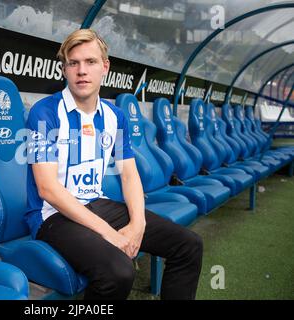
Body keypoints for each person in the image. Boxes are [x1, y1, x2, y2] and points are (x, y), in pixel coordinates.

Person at [25, 29, 203, 300]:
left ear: (105, 67)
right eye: (73, 63)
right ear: (64, 69)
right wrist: (111, 234)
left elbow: (129, 174)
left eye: (90, 62)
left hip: (97, 203)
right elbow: (48, 189)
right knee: (118, 272)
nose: (81, 71)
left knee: (189, 245)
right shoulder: (45, 112)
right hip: (53, 216)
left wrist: (138, 224)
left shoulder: (114, 116)